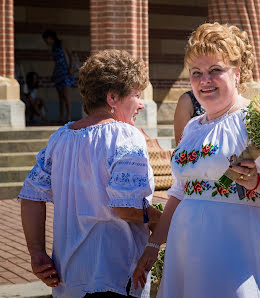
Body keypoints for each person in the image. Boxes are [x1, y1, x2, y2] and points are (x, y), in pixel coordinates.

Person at [132, 22, 260, 298]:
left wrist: (259, 181)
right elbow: (180, 192)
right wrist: (154, 245)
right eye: (196, 73)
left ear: (237, 73)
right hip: (188, 248)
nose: (205, 80)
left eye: (215, 70)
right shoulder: (193, 128)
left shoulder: (258, 120)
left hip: (239, 249)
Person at [19, 49, 161, 298]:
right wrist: (162, 219)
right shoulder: (125, 136)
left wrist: (37, 252)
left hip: (70, 276)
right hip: (114, 274)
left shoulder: (60, 138)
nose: (141, 104)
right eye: (137, 95)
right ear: (113, 98)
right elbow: (126, 208)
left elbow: (31, 195)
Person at [42, 30, 75, 123]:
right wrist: (53, 73)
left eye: (46, 39)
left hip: (66, 72)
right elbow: (56, 62)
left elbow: (71, 56)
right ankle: (61, 116)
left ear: (50, 38)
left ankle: (68, 116)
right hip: (58, 73)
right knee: (60, 97)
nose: (46, 42)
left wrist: (71, 69)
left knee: (66, 96)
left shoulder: (62, 43)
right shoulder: (53, 47)